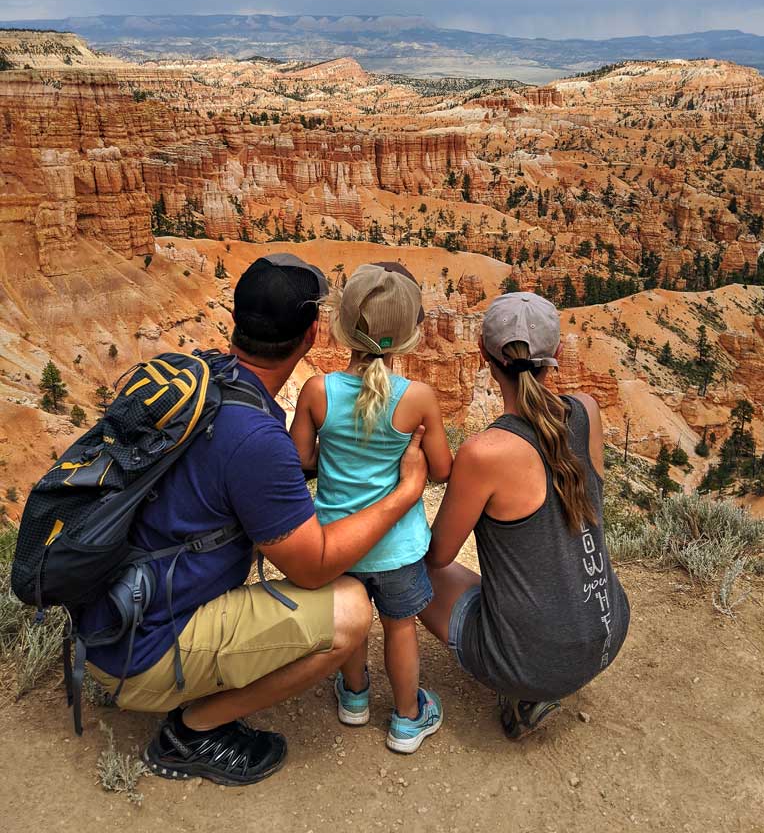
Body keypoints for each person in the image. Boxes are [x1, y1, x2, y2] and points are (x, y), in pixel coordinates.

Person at [81, 253, 428, 786]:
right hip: (144, 646)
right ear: (313, 334)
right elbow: (312, 569)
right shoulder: (256, 438)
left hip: (110, 614)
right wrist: (403, 495)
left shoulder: (201, 377)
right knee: (350, 611)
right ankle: (192, 732)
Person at [420, 291, 630, 740]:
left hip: (537, 663)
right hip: (608, 633)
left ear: (483, 355)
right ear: (555, 356)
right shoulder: (587, 412)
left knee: (411, 569)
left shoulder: (485, 452)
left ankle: (523, 688)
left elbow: (438, 556)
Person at [291, 262, 452, 753]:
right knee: (399, 628)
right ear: (409, 336)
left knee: (354, 619)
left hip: (338, 542)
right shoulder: (418, 398)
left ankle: (355, 697)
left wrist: (333, 452)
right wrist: (414, 457)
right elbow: (442, 470)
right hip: (398, 547)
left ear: (341, 327)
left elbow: (300, 459)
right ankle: (407, 718)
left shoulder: (319, 390)